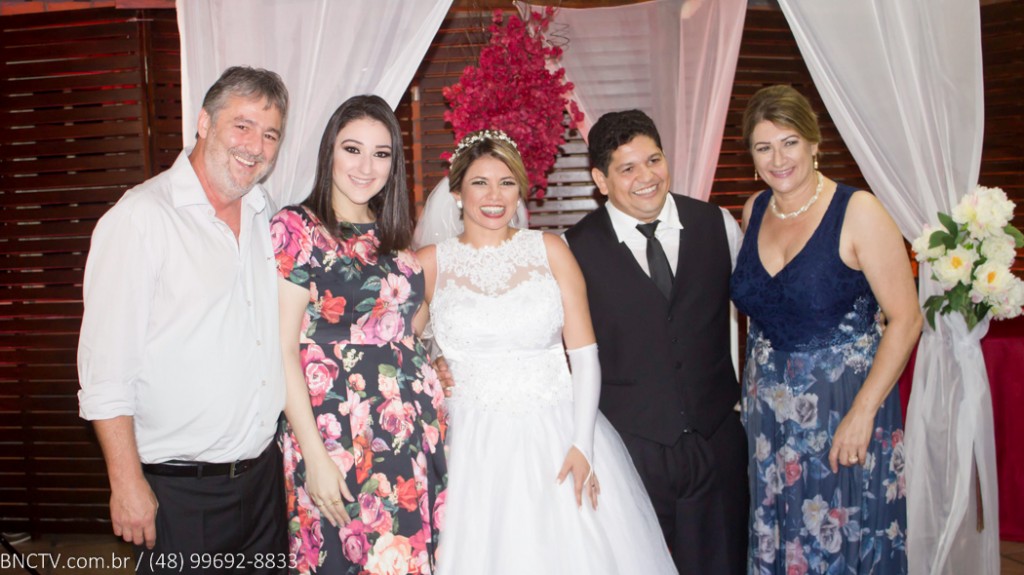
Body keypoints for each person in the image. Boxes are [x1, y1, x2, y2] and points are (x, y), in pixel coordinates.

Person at [418, 130, 676, 575]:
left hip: (556, 430)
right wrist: (430, 363)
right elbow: (395, 347)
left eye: (507, 182)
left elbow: (586, 354)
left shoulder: (550, 249)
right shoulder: (428, 263)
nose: (495, 196)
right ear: (457, 193)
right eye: (480, 183)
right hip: (468, 441)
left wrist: (583, 445)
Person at [77, 66, 290, 573]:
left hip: (264, 485)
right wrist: (126, 483)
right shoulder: (140, 219)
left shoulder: (266, 214)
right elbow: (106, 372)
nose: (255, 146)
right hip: (182, 495)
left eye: (270, 134)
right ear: (203, 123)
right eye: (242, 126)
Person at [730, 84, 921, 574]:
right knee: (780, 536)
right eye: (764, 147)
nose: (778, 159)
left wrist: (863, 412)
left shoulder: (859, 211)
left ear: (814, 143)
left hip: (843, 410)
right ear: (751, 156)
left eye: (789, 142)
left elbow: (906, 319)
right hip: (769, 418)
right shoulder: (754, 211)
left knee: (843, 541)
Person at [563, 110, 748, 575]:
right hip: (630, 448)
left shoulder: (718, 224)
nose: (647, 177)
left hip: (716, 439)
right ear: (600, 180)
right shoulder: (572, 249)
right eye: (627, 168)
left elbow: (761, 308)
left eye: (654, 160)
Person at [272, 94, 448, 575]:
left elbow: (405, 329)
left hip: (412, 431)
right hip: (338, 433)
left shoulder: (394, 237)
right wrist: (314, 455)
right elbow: (281, 349)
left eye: (381, 153)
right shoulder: (297, 229)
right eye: (352, 149)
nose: (366, 167)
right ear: (329, 151)